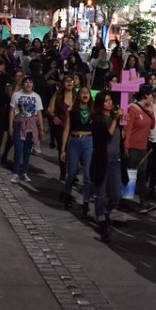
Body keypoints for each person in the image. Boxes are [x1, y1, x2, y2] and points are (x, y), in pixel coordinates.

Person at [90, 90, 128, 242]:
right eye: (106, 101)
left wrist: (123, 124)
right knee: (100, 193)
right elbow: (107, 135)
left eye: (110, 100)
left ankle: (105, 211)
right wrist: (115, 120)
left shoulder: (115, 117)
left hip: (116, 160)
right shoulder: (97, 119)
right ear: (100, 103)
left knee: (116, 195)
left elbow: (120, 136)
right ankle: (101, 221)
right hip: (102, 160)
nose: (109, 103)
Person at [60, 87, 94, 218]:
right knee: (72, 173)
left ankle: (86, 202)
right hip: (74, 141)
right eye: (83, 93)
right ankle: (67, 196)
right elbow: (67, 128)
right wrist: (63, 149)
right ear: (78, 95)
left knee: (87, 175)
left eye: (87, 93)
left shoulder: (93, 110)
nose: (85, 95)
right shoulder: (72, 110)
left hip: (88, 142)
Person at [124, 87, 156, 214]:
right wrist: (126, 146)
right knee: (131, 175)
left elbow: (152, 125)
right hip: (132, 147)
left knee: (141, 176)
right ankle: (125, 201)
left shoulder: (147, 110)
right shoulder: (132, 109)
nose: (152, 98)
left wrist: (152, 112)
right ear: (145, 96)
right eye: (151, 96)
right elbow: (128, 128)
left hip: (143, 148)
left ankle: (144, 203)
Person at [8, 76, 44, 183]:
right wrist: (10, 126)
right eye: (26, 82)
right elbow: (12, 111)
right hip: (18, 125)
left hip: (31, 126)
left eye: (30, 82)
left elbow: (39, 113)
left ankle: (24, 172)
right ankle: (15, 173)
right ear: (23, 84)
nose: (28, 84)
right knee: (18, 149)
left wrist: (41, 127)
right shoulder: (16, 95)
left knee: (27, 150)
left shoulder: (36, 97)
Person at [48, 76, 76, 181]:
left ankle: (72, 173)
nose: (69, 83)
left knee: (73, 151)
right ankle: (63, 172)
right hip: (61, 126)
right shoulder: (58, 95)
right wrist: (54, 116)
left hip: (74, 127)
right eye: (67, 81)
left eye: (71, 81)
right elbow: (50, 109)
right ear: (63, 84)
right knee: (63, 149)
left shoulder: (77, 96)